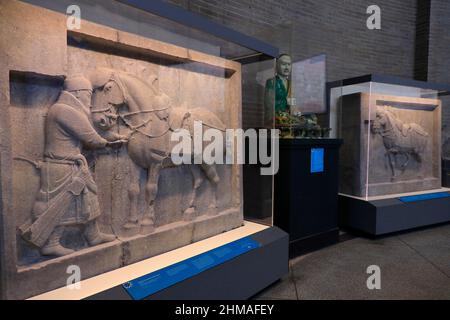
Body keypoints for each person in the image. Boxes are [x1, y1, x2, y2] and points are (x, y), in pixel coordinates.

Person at [19, 75, 124, 257]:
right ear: (77, 93)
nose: (89, 101)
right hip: (62, 166)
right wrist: (109, 143)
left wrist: (109, 136)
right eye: (87, 95)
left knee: (89, 198)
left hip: (71, 165)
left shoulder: (64, 109)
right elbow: (90, 137)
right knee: (59, 204)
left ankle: (93, 235)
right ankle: (50, 243)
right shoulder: (65, 110)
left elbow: (88, 130)